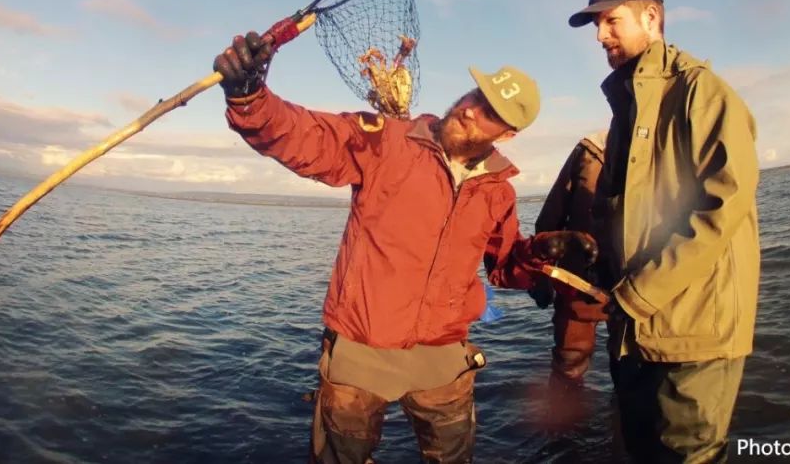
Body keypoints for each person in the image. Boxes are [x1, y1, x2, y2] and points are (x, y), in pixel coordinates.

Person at [213, 31, 596, 464]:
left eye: (489, 112)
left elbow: (505, 267)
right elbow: (308, 137)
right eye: (477, 95)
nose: (470, 109)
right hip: (360, 350)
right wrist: (249, 98)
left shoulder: (498, 192)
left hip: (443, 359)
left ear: (506, 135)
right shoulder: (386, 141)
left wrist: (546, 252)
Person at [567, 0, 760, 463]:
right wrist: (598, 271)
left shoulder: (702, 91)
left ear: (651, 17)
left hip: (694, 334)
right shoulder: (626, 107)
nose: (600, 36)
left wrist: (638, 294)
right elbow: (618, 212)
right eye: (596, 25)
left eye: (610, 21)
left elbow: (724, 206)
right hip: (633, 332)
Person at [528, 130, 609, 421]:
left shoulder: (671, 146)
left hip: (640, 285)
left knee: (635, 368)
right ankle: (563, 429)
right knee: (569, 363)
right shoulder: (591, 149)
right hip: (579, 283)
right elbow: (550, 218)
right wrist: (540, 275)